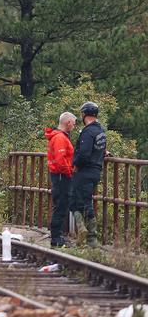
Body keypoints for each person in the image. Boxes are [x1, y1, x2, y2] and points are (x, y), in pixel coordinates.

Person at [72, 101, 107, 246]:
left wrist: (76, 165)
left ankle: (91, 238)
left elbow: (84, 154)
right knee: (77, 200)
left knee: (84, 202)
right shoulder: (101, 131)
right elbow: (99, 149)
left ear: (84, 114)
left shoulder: (87, 132)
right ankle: (82, 230)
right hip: (96, 170)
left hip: (85, 172)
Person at [45, 112, 77, 248]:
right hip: (61, 176)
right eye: (74, 124)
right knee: (61, 205)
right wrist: (70, 171)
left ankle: (57, 235)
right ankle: (56, 237)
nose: (74, 127)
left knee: (61, 204)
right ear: (68, 123)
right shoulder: (60, 138)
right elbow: (60, 160)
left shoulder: (60, 137)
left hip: (59, 175)